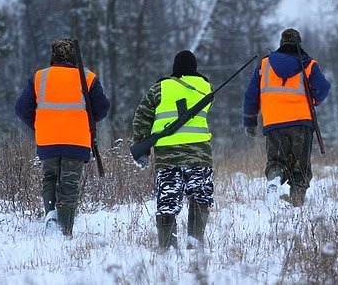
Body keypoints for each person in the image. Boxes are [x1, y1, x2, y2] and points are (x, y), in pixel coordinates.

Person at [15, 38, 110, 236]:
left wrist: (38, 124)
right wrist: (85, 119)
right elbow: (102, 109)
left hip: (48, 140)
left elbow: (21, 108)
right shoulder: (88, 77)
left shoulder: (39, 77)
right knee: (68, 185)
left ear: (53, 54)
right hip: (76, 142)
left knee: (49, 178)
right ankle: (64, 231)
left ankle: (51, 215)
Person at [132, 50, 214, 251]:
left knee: (167, 201)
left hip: (167, 158)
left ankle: (167, 247)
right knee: (200, 197)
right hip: (200, 156)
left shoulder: (159, 88)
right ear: (195, 67)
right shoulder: (207, 88)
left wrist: (142, 146)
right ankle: (195, 243)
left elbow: (141, 118)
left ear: (174, 68)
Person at [243, 28, 330, 207]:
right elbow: (323, 88)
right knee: (301, 166)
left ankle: (274, 179)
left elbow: (251, 95)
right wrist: (314, 99)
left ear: (281, 43)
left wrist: (250, 121)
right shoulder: (309, 64)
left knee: (276, 160)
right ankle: (297, 204)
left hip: (273, 123)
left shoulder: (265, 64)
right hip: (301, 122)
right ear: (299, 43)